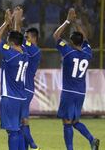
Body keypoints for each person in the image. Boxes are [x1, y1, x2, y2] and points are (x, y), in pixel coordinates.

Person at [53, 8, 100, 150]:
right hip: (80, 92)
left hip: (68, 92)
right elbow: (85, 38)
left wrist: (68, 21)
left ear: (71, 42)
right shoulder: (87, 52)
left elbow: (56, 36)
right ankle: (92, 140)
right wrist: (76, 23)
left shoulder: (67, 51)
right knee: (74, 121)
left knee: (67, 122)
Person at [0, 9, 28, 150]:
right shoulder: (24, 52)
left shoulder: (10, 55)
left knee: (12, 131)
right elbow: (16, 37)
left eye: (8, 42)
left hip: (9, 98)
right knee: (18, 129)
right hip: (20, 99)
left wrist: (6, 23)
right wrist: (15, 23)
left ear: (12, 44)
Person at [14, 7, 41, 150]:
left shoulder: (34, 50)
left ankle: (33, 145)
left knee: (22, 120)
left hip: (25, 89)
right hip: (26, 88)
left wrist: (17, 19)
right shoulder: (32, 49)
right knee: (22, 119)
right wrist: (17, 20)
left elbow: (17, 36)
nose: (25, 38)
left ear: (34, 38)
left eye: (27, 37)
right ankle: (27, 146)